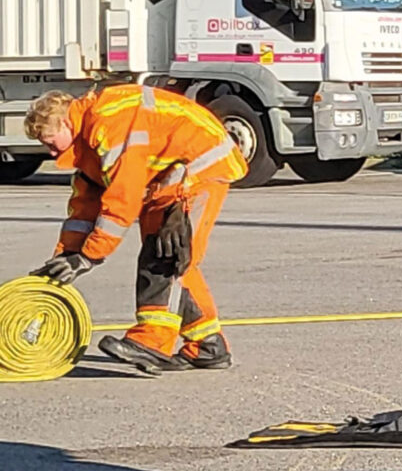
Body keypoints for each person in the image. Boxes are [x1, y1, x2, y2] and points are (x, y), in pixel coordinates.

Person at [23, 85, 248, 374]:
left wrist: (90, 256)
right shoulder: (87, 144)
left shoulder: (107, 122)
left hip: (201, 168)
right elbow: (85, 205)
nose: (51, 152)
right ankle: (207, 346)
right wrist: (67, 254)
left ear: (66, 122)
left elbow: (122, 199)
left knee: (167, 257)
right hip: (170, 180)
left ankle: (152, 343)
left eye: (50, 141)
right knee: (172, 260)